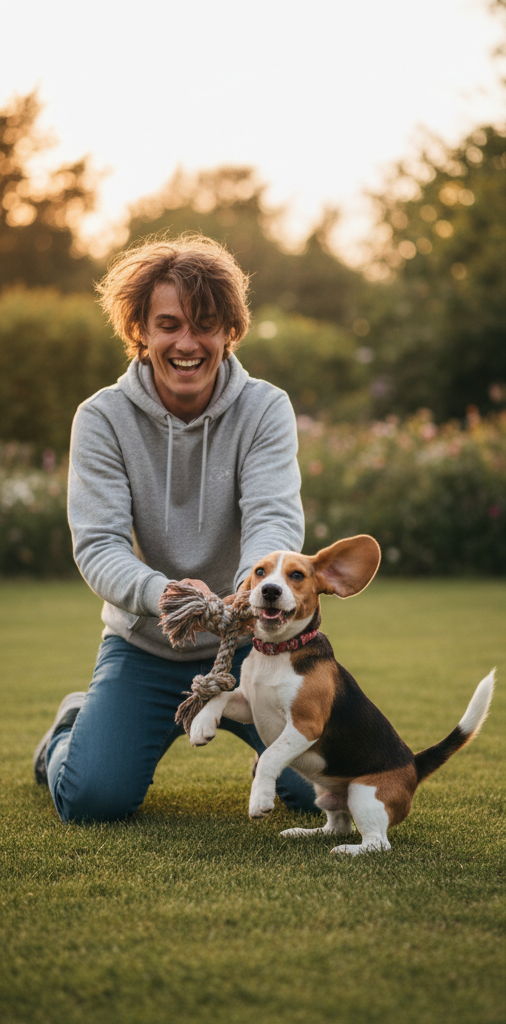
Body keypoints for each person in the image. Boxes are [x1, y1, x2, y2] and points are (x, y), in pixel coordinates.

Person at [33, 234, 318, 822]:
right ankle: (66, 734)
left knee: (318, 793)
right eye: (169, 325)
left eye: (206, 325)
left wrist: (240, 601)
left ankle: (258, 743)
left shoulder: (265, 408)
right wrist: (170, 597)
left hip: (251, 644)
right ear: (140, 329)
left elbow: (274, 517)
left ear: (229, 332)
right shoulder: (102, 418)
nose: (187, 343)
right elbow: (99, 544)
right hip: (143, 647)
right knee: (93, 800)